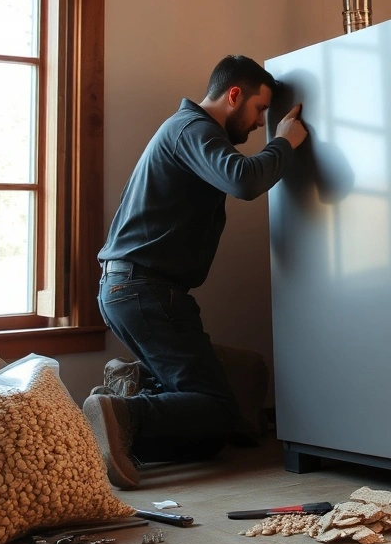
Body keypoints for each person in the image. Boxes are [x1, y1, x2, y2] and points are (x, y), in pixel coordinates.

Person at [83, 55, 307, 489]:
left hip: (130, 288)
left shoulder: (187, 131)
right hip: (144, 289)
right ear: (234, 95)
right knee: (219, 408)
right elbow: (243, 181)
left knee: (206, 433)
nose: (263, 122)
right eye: (261, 110)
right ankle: (119, 412)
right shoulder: (193, 128)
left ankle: (115, 429)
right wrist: (285, 142)